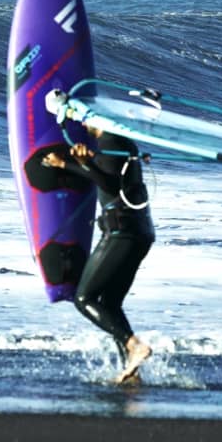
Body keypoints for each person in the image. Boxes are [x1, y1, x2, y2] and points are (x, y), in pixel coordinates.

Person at [42, 120, 155, 385]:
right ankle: (132, 368)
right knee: (110, 303)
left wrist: (65, 165)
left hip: (121, 233)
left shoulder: (109, 144)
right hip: (139, 232)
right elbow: (112, 178)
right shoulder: (123, 144)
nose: (80, 121)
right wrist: (85, 163)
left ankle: (134, 345)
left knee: (84, 298)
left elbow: (109, 185)